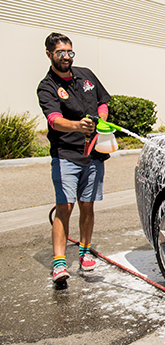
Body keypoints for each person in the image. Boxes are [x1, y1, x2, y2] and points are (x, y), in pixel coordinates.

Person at [37, 32, 111, 283]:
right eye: (60, 53)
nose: (66, 57)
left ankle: (84, 251)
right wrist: (77, 126)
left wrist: (102, 118)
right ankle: (59, 263)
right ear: (49, 54)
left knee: (87, 205)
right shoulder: (47, 86)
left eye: (70, 52)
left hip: (93, 154)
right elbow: (54, 121)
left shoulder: (86, 75)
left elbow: (103, 101)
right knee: (65, 206)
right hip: (65, 155)